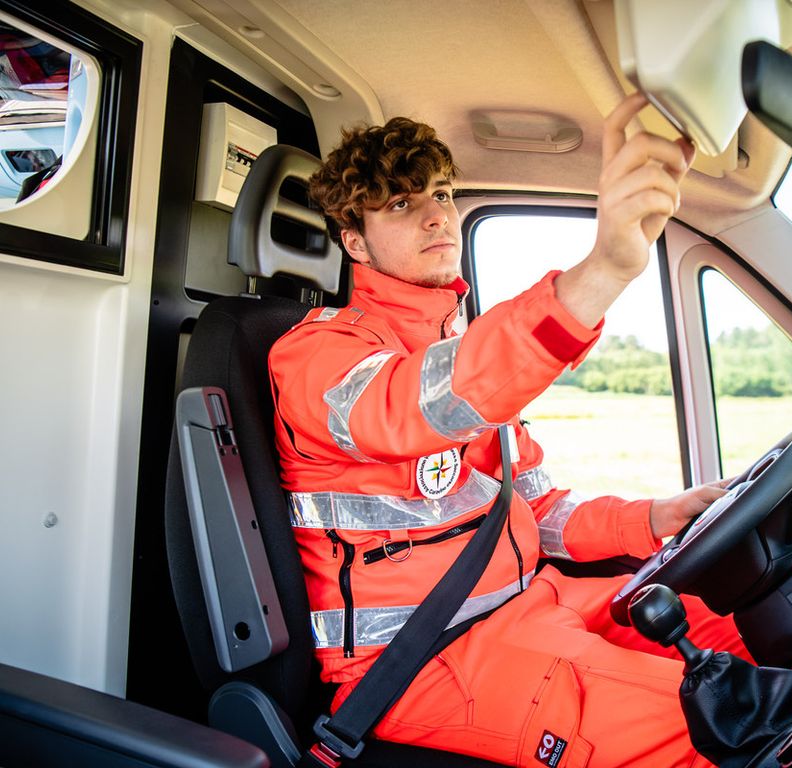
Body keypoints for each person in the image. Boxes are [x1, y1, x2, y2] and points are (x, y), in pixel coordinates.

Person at [268, 93, 752, 768]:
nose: (438, 214)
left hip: (534, 601)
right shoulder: (317, 354)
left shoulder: (464, 353)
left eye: (441, 193)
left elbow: (540, 510)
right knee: (715, 728)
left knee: (740, 636)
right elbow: (413, 406)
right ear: (355, 241)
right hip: (423, 659)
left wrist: (657, 517)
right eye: (401, 204)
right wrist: (603, 270)